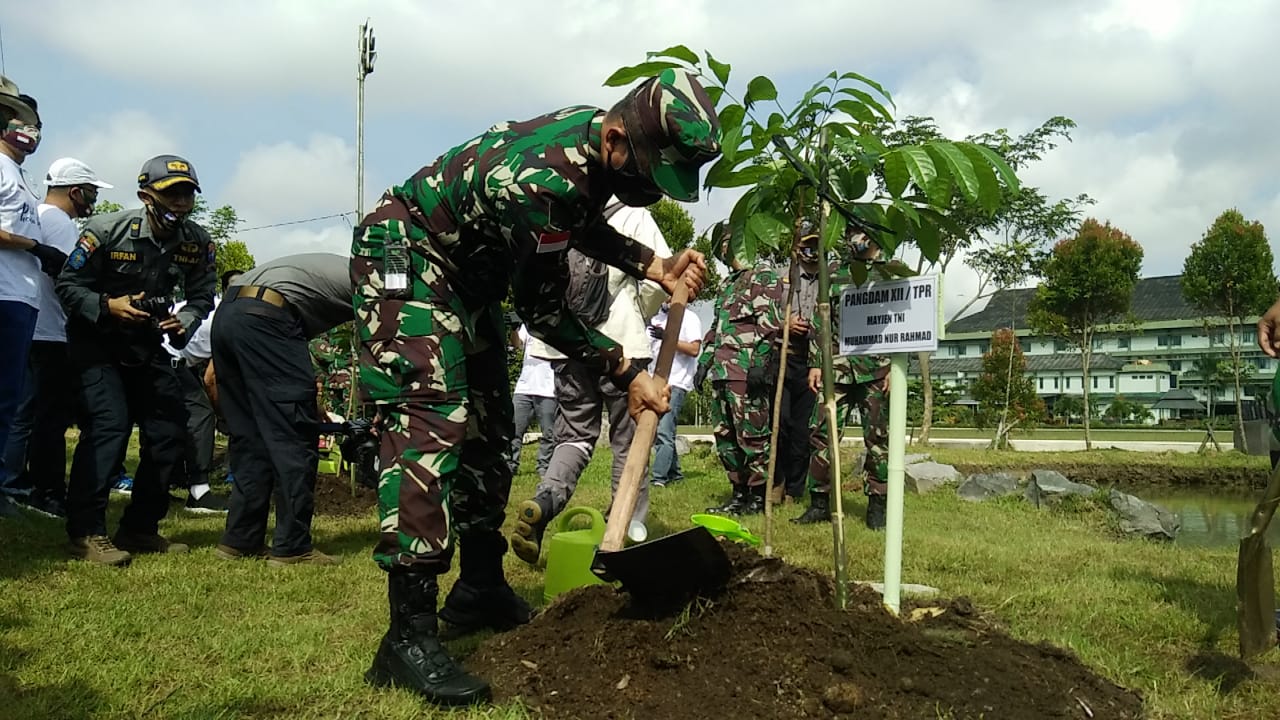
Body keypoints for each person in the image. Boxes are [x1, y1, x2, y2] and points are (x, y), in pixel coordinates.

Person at [351, 68, 717, 707]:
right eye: (651, 177)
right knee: (429, 418)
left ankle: (481, 586)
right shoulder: (539, 180)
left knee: (492, 425)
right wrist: (627, 370)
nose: (652, 195)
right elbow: (544, 309)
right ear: (616, 140)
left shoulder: (588, 151)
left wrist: (653, 265)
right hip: (407, 256)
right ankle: (406, 634)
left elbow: (581, 226)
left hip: (465, 280)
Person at [55, 154, 216, 565]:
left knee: (169, 430)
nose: (180, 202)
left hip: (147, 343)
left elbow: (201, 295)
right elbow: (68, 285)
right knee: (109, 427)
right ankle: (86, 532)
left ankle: (141, 527)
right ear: (146, 195)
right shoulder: (105, 230)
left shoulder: (196, 241)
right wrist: (109, 305)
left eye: (187, 194)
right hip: (97, 341)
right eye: (171, 193)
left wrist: (185, 321)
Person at [510, 201, 671, 564]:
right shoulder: (634, 215)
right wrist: (636, 312)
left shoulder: (565, 210)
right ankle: (625, 532)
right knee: (628, 443)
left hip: (566, 346)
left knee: (574, 436)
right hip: (622, 347)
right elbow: (659, 282)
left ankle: (545, 500)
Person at [211, 253, 351, 565]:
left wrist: (306, 400)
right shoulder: (374, 281)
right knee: (295, 439)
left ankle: (241, 539)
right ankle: (292, 546)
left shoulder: (329, 274)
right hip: (267, 316)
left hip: (229, 313)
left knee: (250, 437)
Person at [3, 158, 112, 518]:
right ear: (76, 191)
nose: (93, 200)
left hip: (36, 324)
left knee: (25, 411)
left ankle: (15, 483)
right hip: (51, 331)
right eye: (92, 192)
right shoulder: (61, 223)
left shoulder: (37, 215)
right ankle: (39, 489)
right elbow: (74, 277)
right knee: (46, 416)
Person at [795, 233, 891, 529]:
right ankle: (820, 503)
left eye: (862, 234)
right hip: (835, 367)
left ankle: (877, 506)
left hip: (876, 369)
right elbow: (819, 320)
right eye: (851, 233)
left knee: (877, 440)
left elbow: (903, 324)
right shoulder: (834, 272)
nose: (856, 239)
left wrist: (895, 369)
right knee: (822, 434)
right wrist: (815, 363)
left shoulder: (890, 273)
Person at [0, 83, 61, 518]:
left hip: (22, 297)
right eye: (25, 122)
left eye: (37, 126)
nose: (32, 132)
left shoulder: (18, 175)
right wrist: (34, 247)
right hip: (3, 293)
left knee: (8, 399)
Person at [703, 231, 782, 515]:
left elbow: (770, 324)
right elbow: (717, 327)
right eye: (720, 246)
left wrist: (760, 363)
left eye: (728, 242)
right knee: (724, 435)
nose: (724, 249)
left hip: (747, 373)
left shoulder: (762, 275)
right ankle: (738, 494)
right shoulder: (727, 284)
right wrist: (704, 361)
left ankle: (759, 497)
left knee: (752, 436)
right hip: (722, 371)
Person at [158, 269, 242, 514]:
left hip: (156, 353)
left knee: (163, 421)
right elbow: (211, 378)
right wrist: (223, 416)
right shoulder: (228, 320)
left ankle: (162, 484)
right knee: (201, 415)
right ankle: (199, 492)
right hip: (170, 359)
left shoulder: (212, 305)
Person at [774, 233, 822, 502]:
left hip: (812, 363)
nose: (811, 251)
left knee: (802, 432)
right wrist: (785, 323)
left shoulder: (830, 280)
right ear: (797, 247)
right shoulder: (782, 277)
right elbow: (764, 314)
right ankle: (776, 483)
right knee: (780, 425)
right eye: (806, 246)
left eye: (816, 246)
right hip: (782, 359)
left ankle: (795, 489)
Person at [647, 299, 702, 488]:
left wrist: (668, 338)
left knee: (664, 430)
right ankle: (675, 474)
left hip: (677, 381)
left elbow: (694, 349)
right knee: (662, 431)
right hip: (654, 381)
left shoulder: (689, 318)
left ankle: (658, 478)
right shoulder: (656, 319)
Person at [506, 323, 557, 477]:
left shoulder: (557, 325)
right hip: (524, 388)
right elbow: (517, 345)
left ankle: (544, 467)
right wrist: (514, 329)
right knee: (514, 429)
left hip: (549, 389)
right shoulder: (528, 325)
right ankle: (510, 466)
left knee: (549, 432)